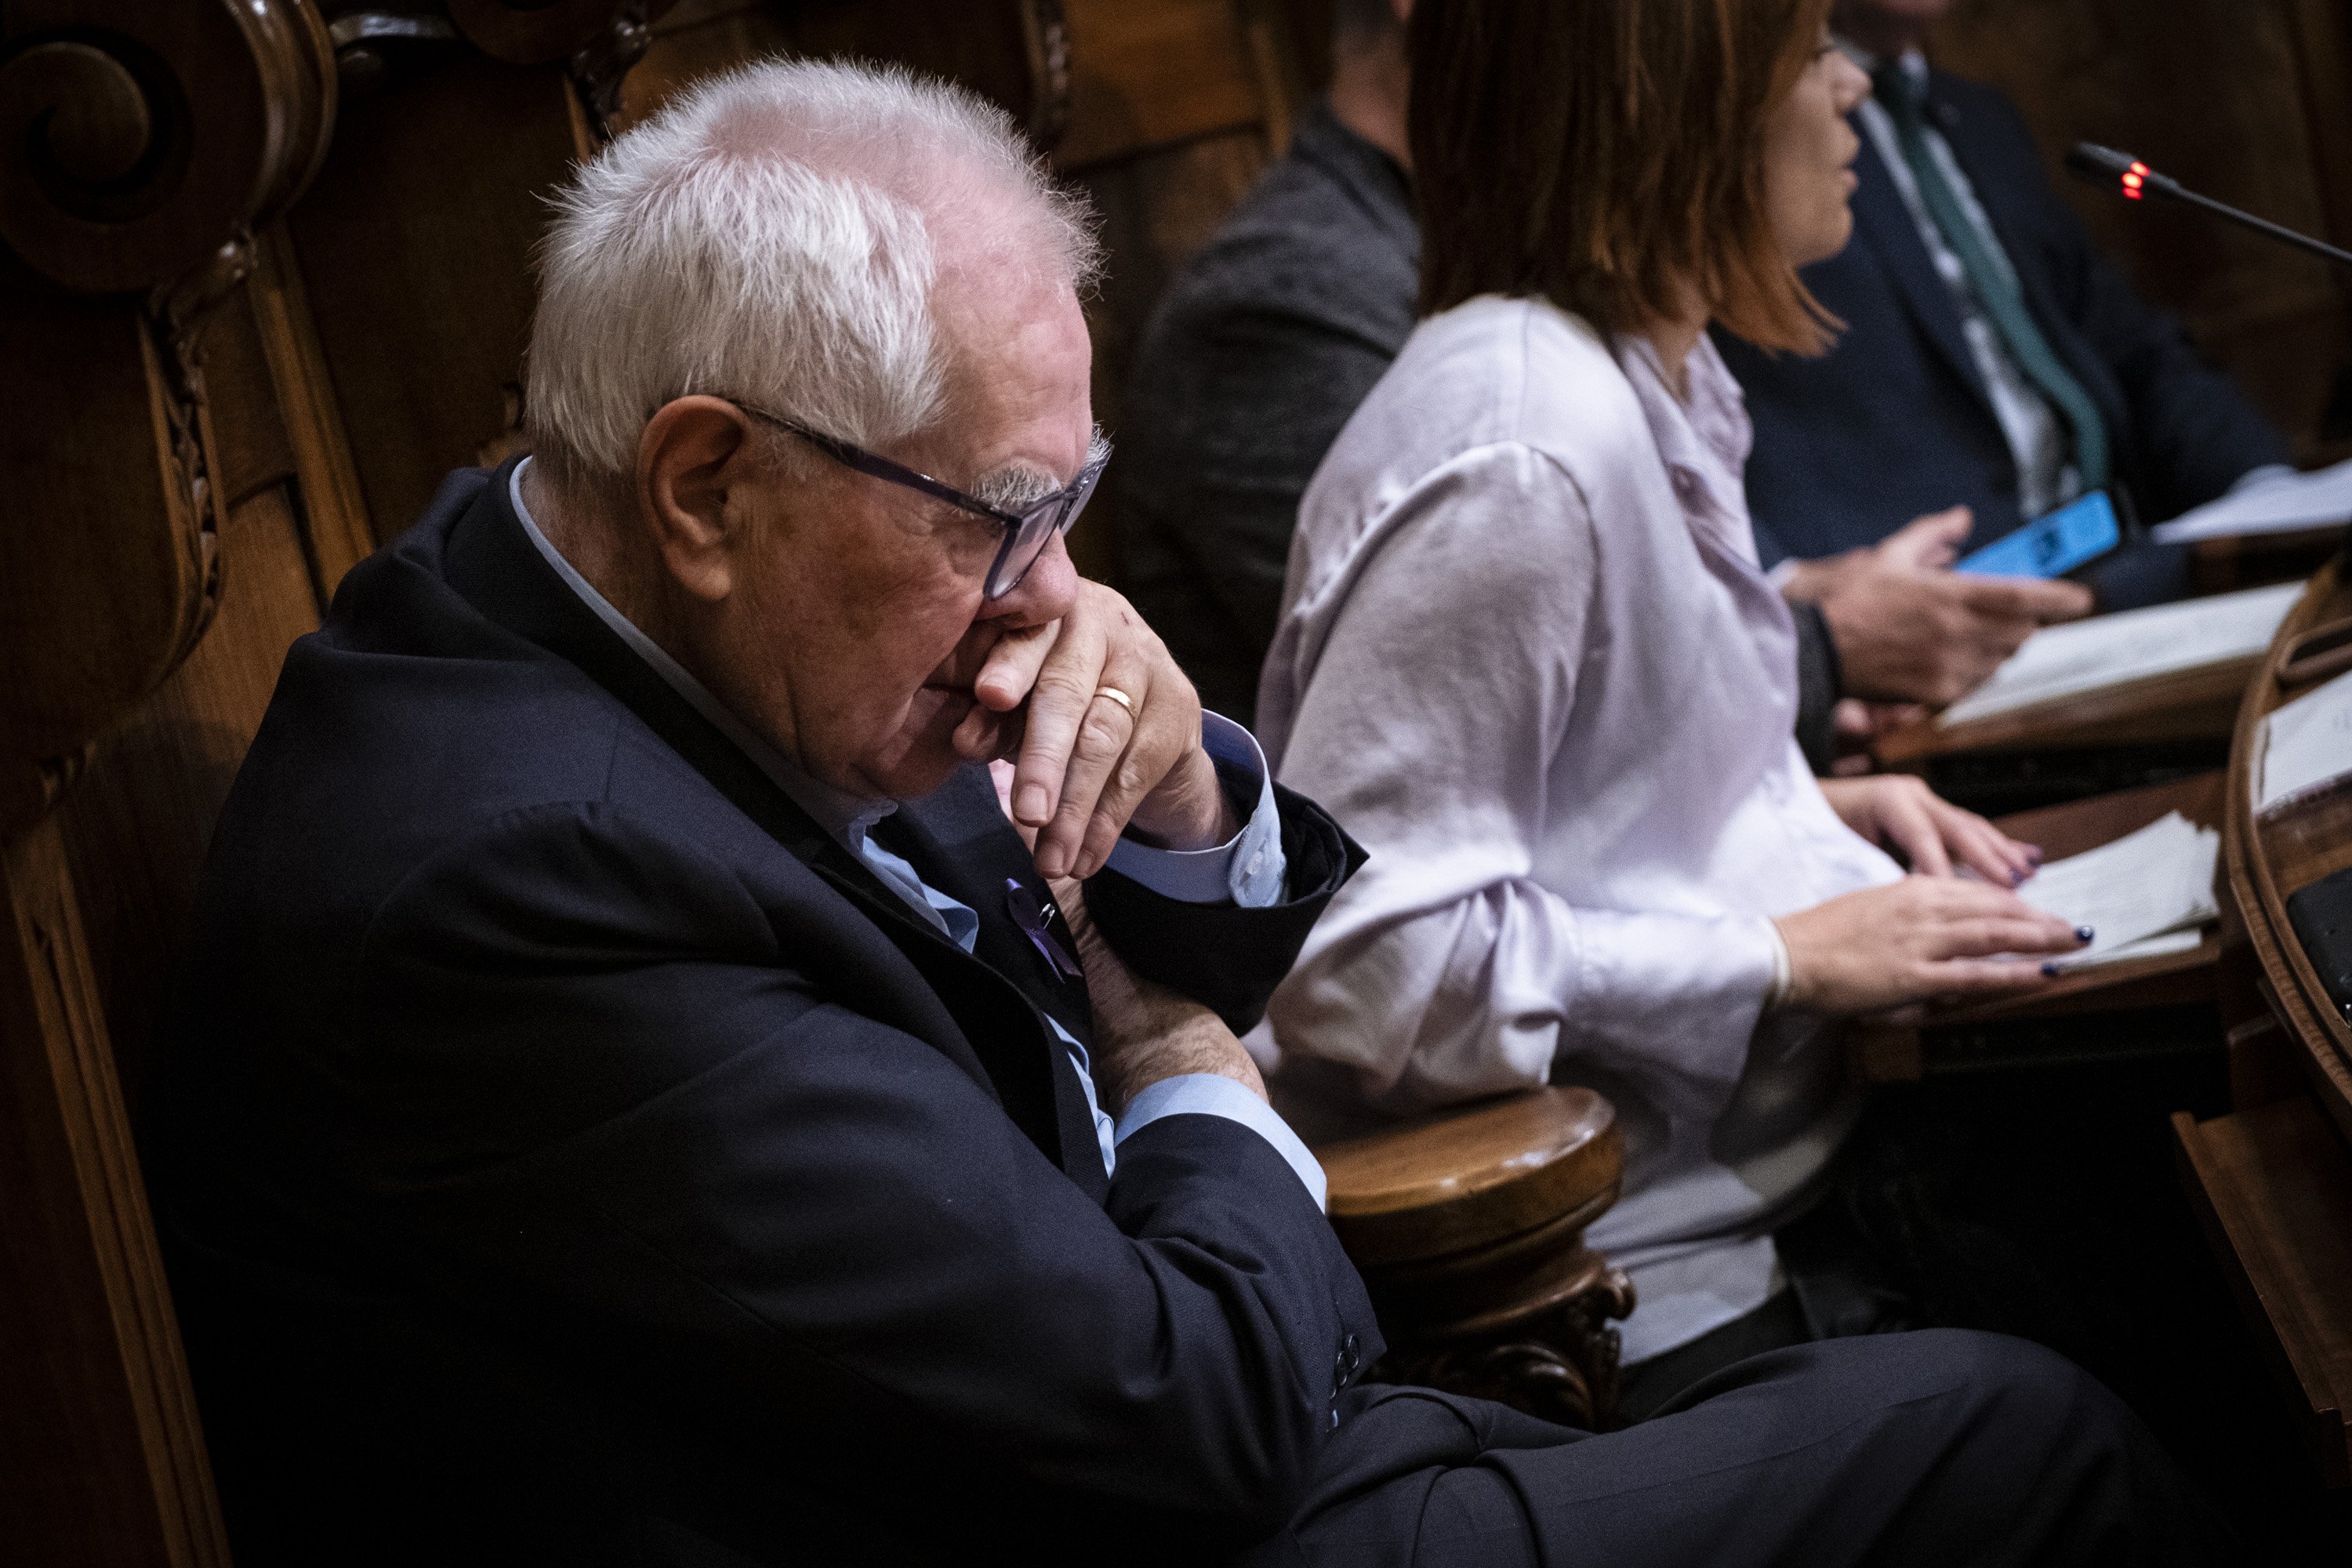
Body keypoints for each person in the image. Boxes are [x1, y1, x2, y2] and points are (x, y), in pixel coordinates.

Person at [154, 54, 2222, 1568]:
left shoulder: (628, 581)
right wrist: (1179, 1049)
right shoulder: (498, 880)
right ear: (707, 483)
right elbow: (1192, 1411)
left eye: (1078, 500)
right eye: (1014, 516)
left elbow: (1203, 930)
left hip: (1239, 1384)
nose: (1063, 597)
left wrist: (1186, 789)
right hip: (1171, 1495)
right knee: (2014, 1437)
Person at [1255, 0, 2112, 1410]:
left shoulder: (1650, 369)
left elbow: (1565, 826)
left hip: (1793, 1170)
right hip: (1659, 1281)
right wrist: (1780, 952)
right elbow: (1368, 966)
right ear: (1681, 111)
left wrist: (1790, 809)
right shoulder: (1523, 447)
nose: (1849, 87)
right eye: (1806, 53)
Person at [1116, 0, 2091, 760]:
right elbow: (1519, 718)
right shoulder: (1286, 302)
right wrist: (1820, 646)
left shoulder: (1595, 281)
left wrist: (1784, 598)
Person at [1715, 0, 2296, 606]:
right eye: (1816, 57)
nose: (1849, 85)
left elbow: (2125, 342)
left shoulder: (1983, 118)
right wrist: (1793, 602)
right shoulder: (1765, 139)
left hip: (2122, 555)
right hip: (1932, 604)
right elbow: (1675, 426)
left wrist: (2266, 492)